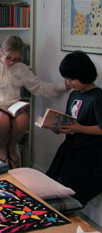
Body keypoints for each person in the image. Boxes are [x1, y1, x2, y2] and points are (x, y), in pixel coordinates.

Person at [0, 35, 69, 168]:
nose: (12, 62)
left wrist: (63, 86)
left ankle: (11, 148)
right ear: (1, 51)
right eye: (9, 58)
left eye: (16, 59)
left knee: (23, 119)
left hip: (13, 108)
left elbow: (40, 87)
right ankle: (2, 149)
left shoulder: (22, 69)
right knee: (2, 119)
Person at [46, 50, 102, 206]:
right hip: (69, 148)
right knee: (52, 182)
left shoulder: (97, 97)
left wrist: (80, 129)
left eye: (72, 79)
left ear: (84, 75)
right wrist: (58, 126)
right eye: (66, 79)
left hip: (88, 153)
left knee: (74, 192)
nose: (68, 83)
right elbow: (70, 121)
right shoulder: (74, 94)